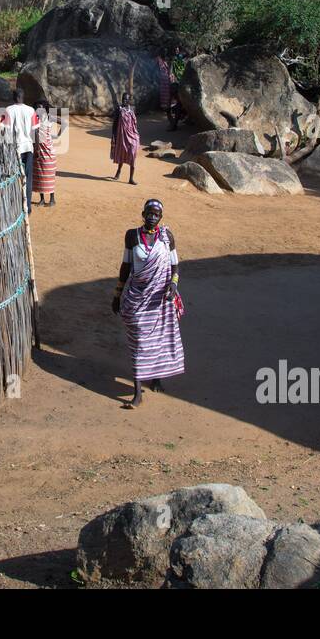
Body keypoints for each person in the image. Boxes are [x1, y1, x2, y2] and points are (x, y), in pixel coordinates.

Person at [111, 198, 184, 408]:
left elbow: (175, 265)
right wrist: (117, 294)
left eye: (156, 214)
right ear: (143, 214)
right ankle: (137, 392)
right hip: (136, 297)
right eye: (149, 213)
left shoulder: (167, 237)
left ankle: (156, 377)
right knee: (139, 342)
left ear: (161, 217)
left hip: (159, 298)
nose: (152, 217)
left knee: (157, 340)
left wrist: (173, 284)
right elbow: (125, 266)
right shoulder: (132, 236)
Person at [0, 88, 39, 213]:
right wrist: (36, 148)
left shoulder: (8, 110)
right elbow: (36, 131)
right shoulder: (31, 110)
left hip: (14, 148)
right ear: (23, 97)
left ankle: (15, 205)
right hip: (28, 147)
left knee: (14, 176)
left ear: (13, 97)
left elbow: (4, 130)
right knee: (27, 177)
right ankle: (27, 207)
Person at [32, 99, 58, 206]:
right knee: (39, 175)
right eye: (38, 107)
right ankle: (42, 199)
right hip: (38, 150)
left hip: (48, 151)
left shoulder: (50, 118)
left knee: (49, 174)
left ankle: (52, 199)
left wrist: (57, 136)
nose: (39, 109)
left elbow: (64, 122)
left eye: (41, 107)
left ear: (45, 108)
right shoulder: (34, 119)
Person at [111, 92, 140, 184]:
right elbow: (115, 124)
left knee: (133, 154)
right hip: (122, 137)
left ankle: (131, 178)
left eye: (126, 99)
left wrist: (136, 134)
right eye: (123, 98)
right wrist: (113, 136)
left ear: (129, 100)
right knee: (122, 154)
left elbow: (134, 123)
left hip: (132, 136)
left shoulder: (132, 109)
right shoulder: (119, 109)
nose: (124, 100)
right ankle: (118, 171)